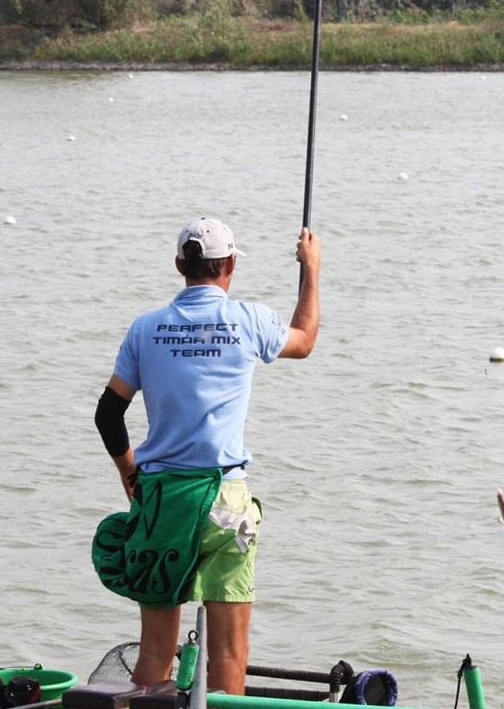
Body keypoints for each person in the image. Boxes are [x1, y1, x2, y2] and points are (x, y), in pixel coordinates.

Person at [93, 216, 321, 695]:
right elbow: (304, 339)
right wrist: (312, 269)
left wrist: (128, 471)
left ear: (180, 264)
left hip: (161, 500)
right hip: (225, 502)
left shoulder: (145, 328)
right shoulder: (251, 319)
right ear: (231, 264)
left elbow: (108, 414)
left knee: (155, 648)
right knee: (229, 652)